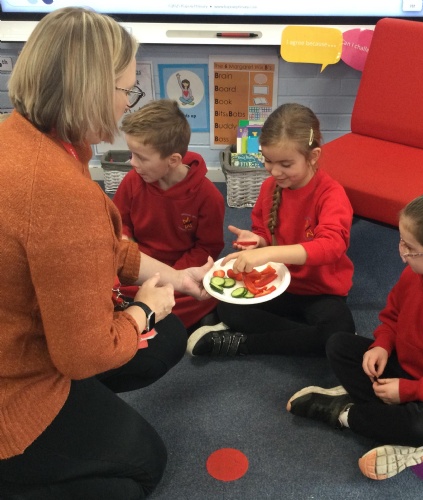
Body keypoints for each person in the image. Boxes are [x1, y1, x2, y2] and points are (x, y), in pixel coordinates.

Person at [0, 7, 213, 499]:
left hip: (33, 338)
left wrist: (177, 279)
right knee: (141, 470)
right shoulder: (56, 189)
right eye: (125, 89)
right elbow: (83, 355)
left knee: (168, 337)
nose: (125, 103)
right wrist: (144, 310)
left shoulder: (26, 137)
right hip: (17, 386)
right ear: (91, 91)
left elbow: (103, 246)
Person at [286, 189, 423, 480]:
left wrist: (408, 391)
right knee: (338, 344)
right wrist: (383, 345)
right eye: (401, 241)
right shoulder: (415, 273)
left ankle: (346, 414)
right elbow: (393, 314)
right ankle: (395, 427)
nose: (401, 252)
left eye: (409, 247)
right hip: (407, 367)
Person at [187, 103, 356, 357]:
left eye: (286, 164)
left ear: (313, 156)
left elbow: (332, 247)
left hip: (320, 292)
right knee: (227, 308)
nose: (275, 171)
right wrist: (259, 241)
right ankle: (305, 338)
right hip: (278, 285)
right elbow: (264, 232)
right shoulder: (269, 188)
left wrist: (267, 253)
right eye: (268, 160)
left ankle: (244, 344)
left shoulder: (331, 194)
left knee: (338, 331)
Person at [112, 99, 225, 333]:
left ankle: (138, 314)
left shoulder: (209, 196)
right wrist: (126, 244)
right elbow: (119, 223)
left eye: (141, 157)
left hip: (180, 270)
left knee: (206, 292)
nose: (132, 163)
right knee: (100, 280)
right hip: (137, 265)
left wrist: (170, 276)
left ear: (173, 160)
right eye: (132, 154)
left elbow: (207, 248)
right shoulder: (132, 181)